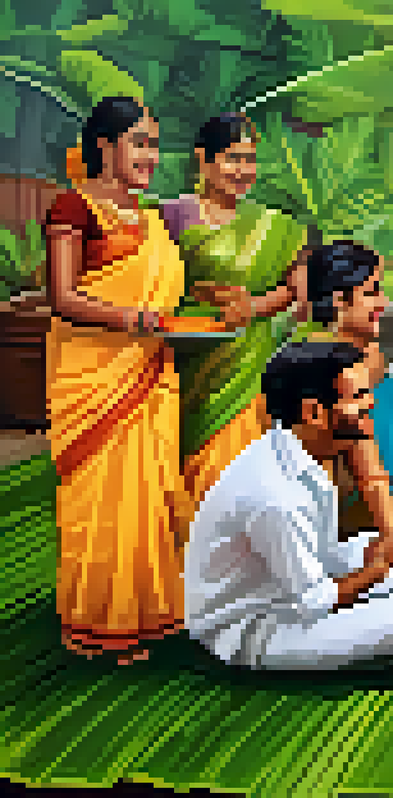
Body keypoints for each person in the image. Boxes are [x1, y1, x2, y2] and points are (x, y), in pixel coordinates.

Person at [43, 97, 234, 663]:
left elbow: (171, 294)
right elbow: (62, 296)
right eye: (139, 143)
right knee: (100, 501)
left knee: (148, 496)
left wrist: (215, 304)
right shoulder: (73, 208)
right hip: (93, 377)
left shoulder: (151, 219)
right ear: (105, 147)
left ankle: (149, 615)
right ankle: (98, 620)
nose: (151, 155)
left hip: (149, 372)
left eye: (154, 143)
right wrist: (132, 320)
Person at [185, 341, 393, 670]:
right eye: (358, 396)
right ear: (313, 413)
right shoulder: (275, 496)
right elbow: (315, 601)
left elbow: (323, 554)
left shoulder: (297, 450)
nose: (372, 402)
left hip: (292, 586)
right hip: (255, 629)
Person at [158, 113, 310, 506]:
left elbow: (296, 288)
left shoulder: (275, 224)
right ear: (203, 160)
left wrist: (253, 307)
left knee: (242, 477)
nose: (243, 170)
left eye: (250, 160)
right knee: (186, 472)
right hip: (185, 357)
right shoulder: (170, 216)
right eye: (232, 158)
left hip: (249, 366)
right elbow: (150, 280)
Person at [292, 242, 393, 533]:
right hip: (354, 521)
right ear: (339, 300)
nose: (384, 302)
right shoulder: (327, 366)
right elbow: (369, 476)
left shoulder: (366, 354)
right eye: (372, 292)